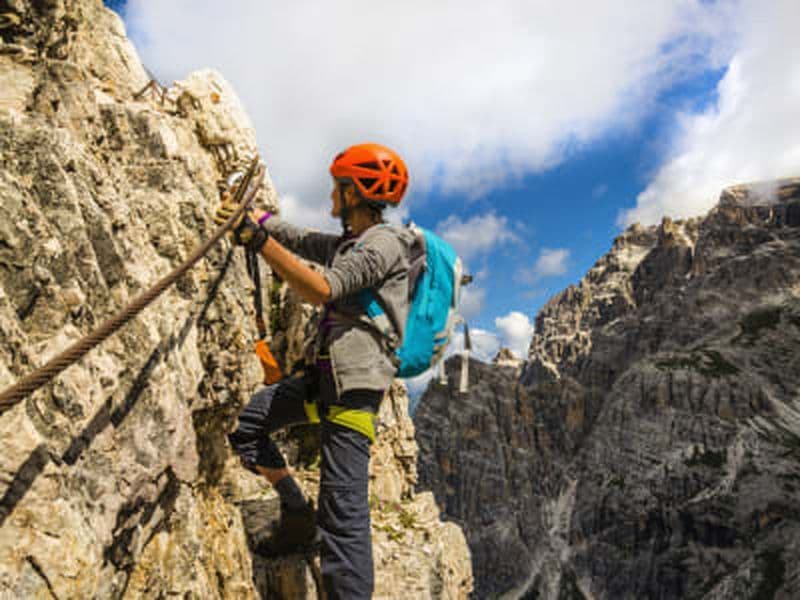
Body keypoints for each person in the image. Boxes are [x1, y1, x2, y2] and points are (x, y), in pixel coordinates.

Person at [216, 143, 414, 599]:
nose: (330, 194)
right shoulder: (352, 243)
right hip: (324, 380)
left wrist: (257, 240)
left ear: (354, 191)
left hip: (353, 391)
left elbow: (321, 289)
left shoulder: (384, 244)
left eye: (336, 186)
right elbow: (303, 240)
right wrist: (258, 220)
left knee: (343, 518)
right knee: (249, 427)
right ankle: (295, 511)